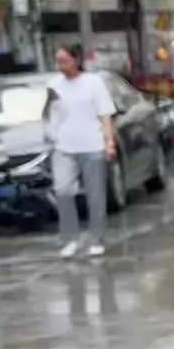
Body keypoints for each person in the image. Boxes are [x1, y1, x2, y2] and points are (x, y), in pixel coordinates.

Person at [43, 44, 118, 259]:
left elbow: (105, 114)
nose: (60, 65)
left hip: (92, 144)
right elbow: (48, 113)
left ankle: (96, 238)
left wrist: (109, 142)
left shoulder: (93, 83)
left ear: (76, 60)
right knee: (62, 189)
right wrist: (51, 134)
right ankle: (70, 238)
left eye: (64, 60)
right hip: (64, 146)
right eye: (58, 61)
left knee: (95, 195)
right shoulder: (54, 85)